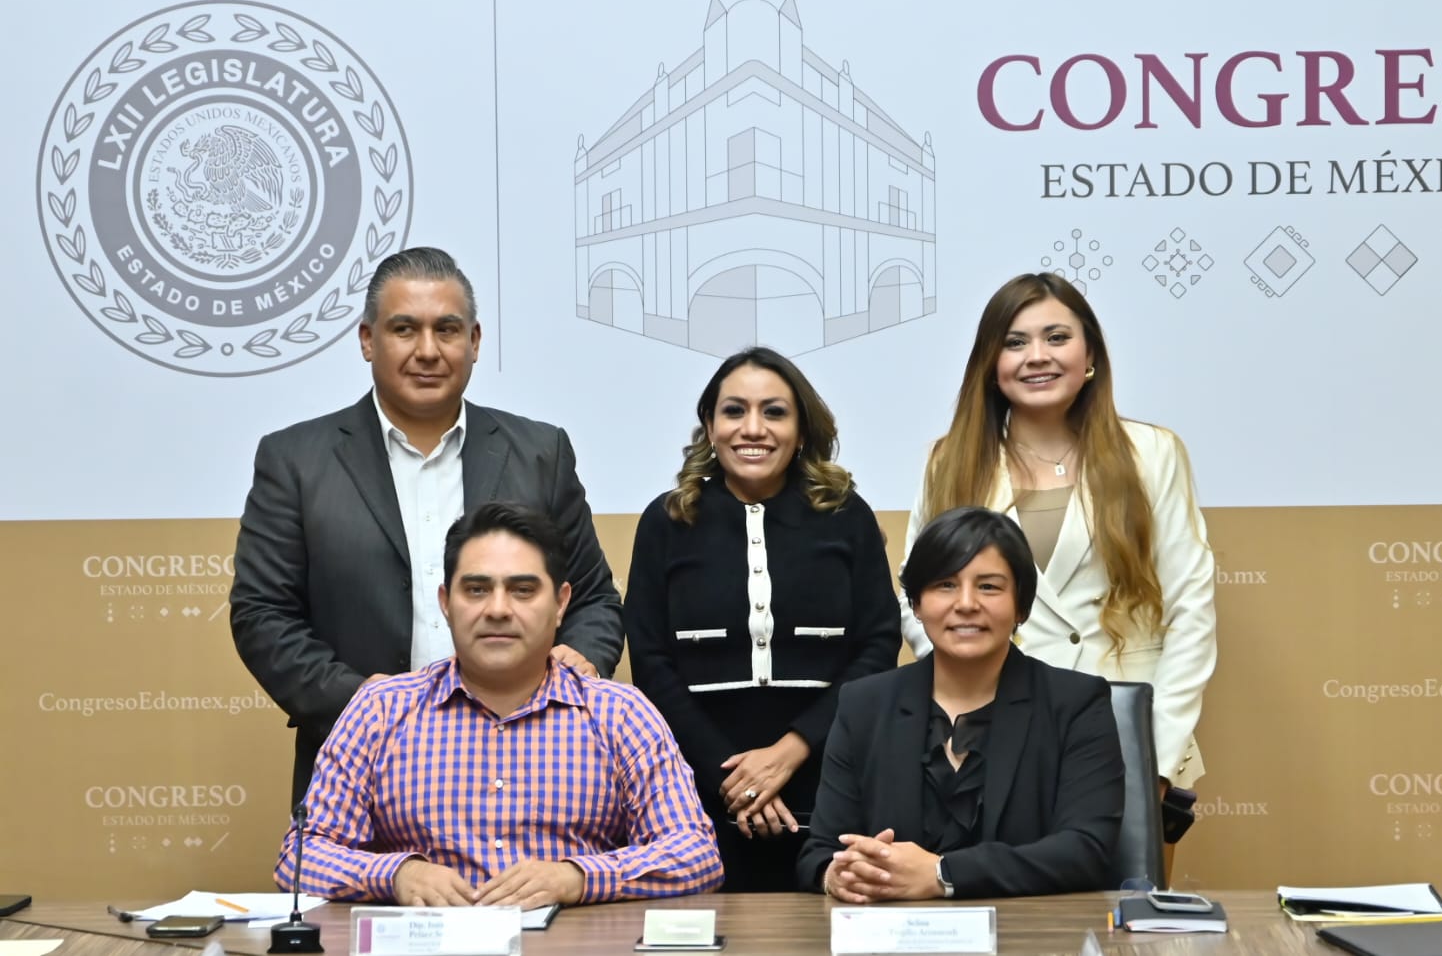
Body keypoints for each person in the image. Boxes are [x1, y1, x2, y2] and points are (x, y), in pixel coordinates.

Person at [231, 247, 623, 807]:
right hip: (366, 764)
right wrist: (363, 703)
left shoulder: (541, 453)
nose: (428, 351)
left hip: (533, 760)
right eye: (404, 329)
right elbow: (262, 614)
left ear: (474, 341)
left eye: (447, 329)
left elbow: (594, 600)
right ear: (367, 340)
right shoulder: (296, 461)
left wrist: (581, 658)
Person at [277, 501, 723, 906]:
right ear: (445, 603)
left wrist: (577, 877)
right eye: (476, 589)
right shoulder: (380, 710)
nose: (497, 609)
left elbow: (695, 854)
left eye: (523, 590)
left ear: (561, 604)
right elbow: (301, 857)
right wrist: (396, 874)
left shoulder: (619, 713)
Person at [899, 273, 1216, 805]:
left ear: (1089, 354)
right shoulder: (950, 461)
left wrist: (1155, 758)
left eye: (1057, 337)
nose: (1037, 356)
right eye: (1015, 342)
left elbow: (1191, 609)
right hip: (989, 735)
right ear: (990, 363)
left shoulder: (1152, 453)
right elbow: (916, 597)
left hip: (1127, 728)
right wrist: (966, 691)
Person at [623, 346, 902, 892]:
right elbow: (652, 663)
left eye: (774, 412)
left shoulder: (846, 515)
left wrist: (789, 753)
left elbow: (877, 647)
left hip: (828, 776)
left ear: (801, 430)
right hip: (700, 788)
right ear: (710, 426)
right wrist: (733, 778)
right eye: (734, 411)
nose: (753, 428)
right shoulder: (667, 520)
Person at [798, 506, 1123, 900]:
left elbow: (1085, 851)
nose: (966, 603)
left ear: (1021, 606)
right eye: (945, 585)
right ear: (917, 605)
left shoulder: (1076, 703)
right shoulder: (864, 704)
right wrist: (836, 876)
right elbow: (821, 851)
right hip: (894, 929)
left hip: (1028, 928)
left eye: (989, 587)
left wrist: (942, 874)